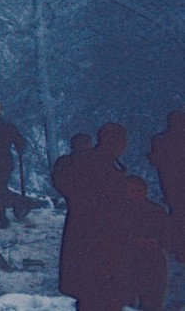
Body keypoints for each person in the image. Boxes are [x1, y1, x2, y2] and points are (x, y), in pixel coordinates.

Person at [53, 123, 131, 311]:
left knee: (88, 293)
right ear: (117, 143)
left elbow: (62, 183)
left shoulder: (80, 161)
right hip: (103, 238)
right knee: (103, 294)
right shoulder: (108, 167)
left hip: (82, 234)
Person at [52, 132, 92, 295]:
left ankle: (72, 283)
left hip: (75, 210)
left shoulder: (65, 163)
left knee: (74, 250)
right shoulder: (94, 163)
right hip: (90, 212)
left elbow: (58, 182)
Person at [125, 176, 171, 311]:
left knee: (153, 304)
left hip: (153, 264)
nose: (136, 194)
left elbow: (169, 235)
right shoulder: (118, 212)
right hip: (126, 264)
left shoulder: (157, 211)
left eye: (139, 191)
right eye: (132, 191)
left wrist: (157, 242)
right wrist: (131, 241)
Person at [148, 110, 184, 216]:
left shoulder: (160, 139)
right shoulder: (161, 140)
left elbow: (156, 160)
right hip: (172, 184)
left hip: (170, 184)